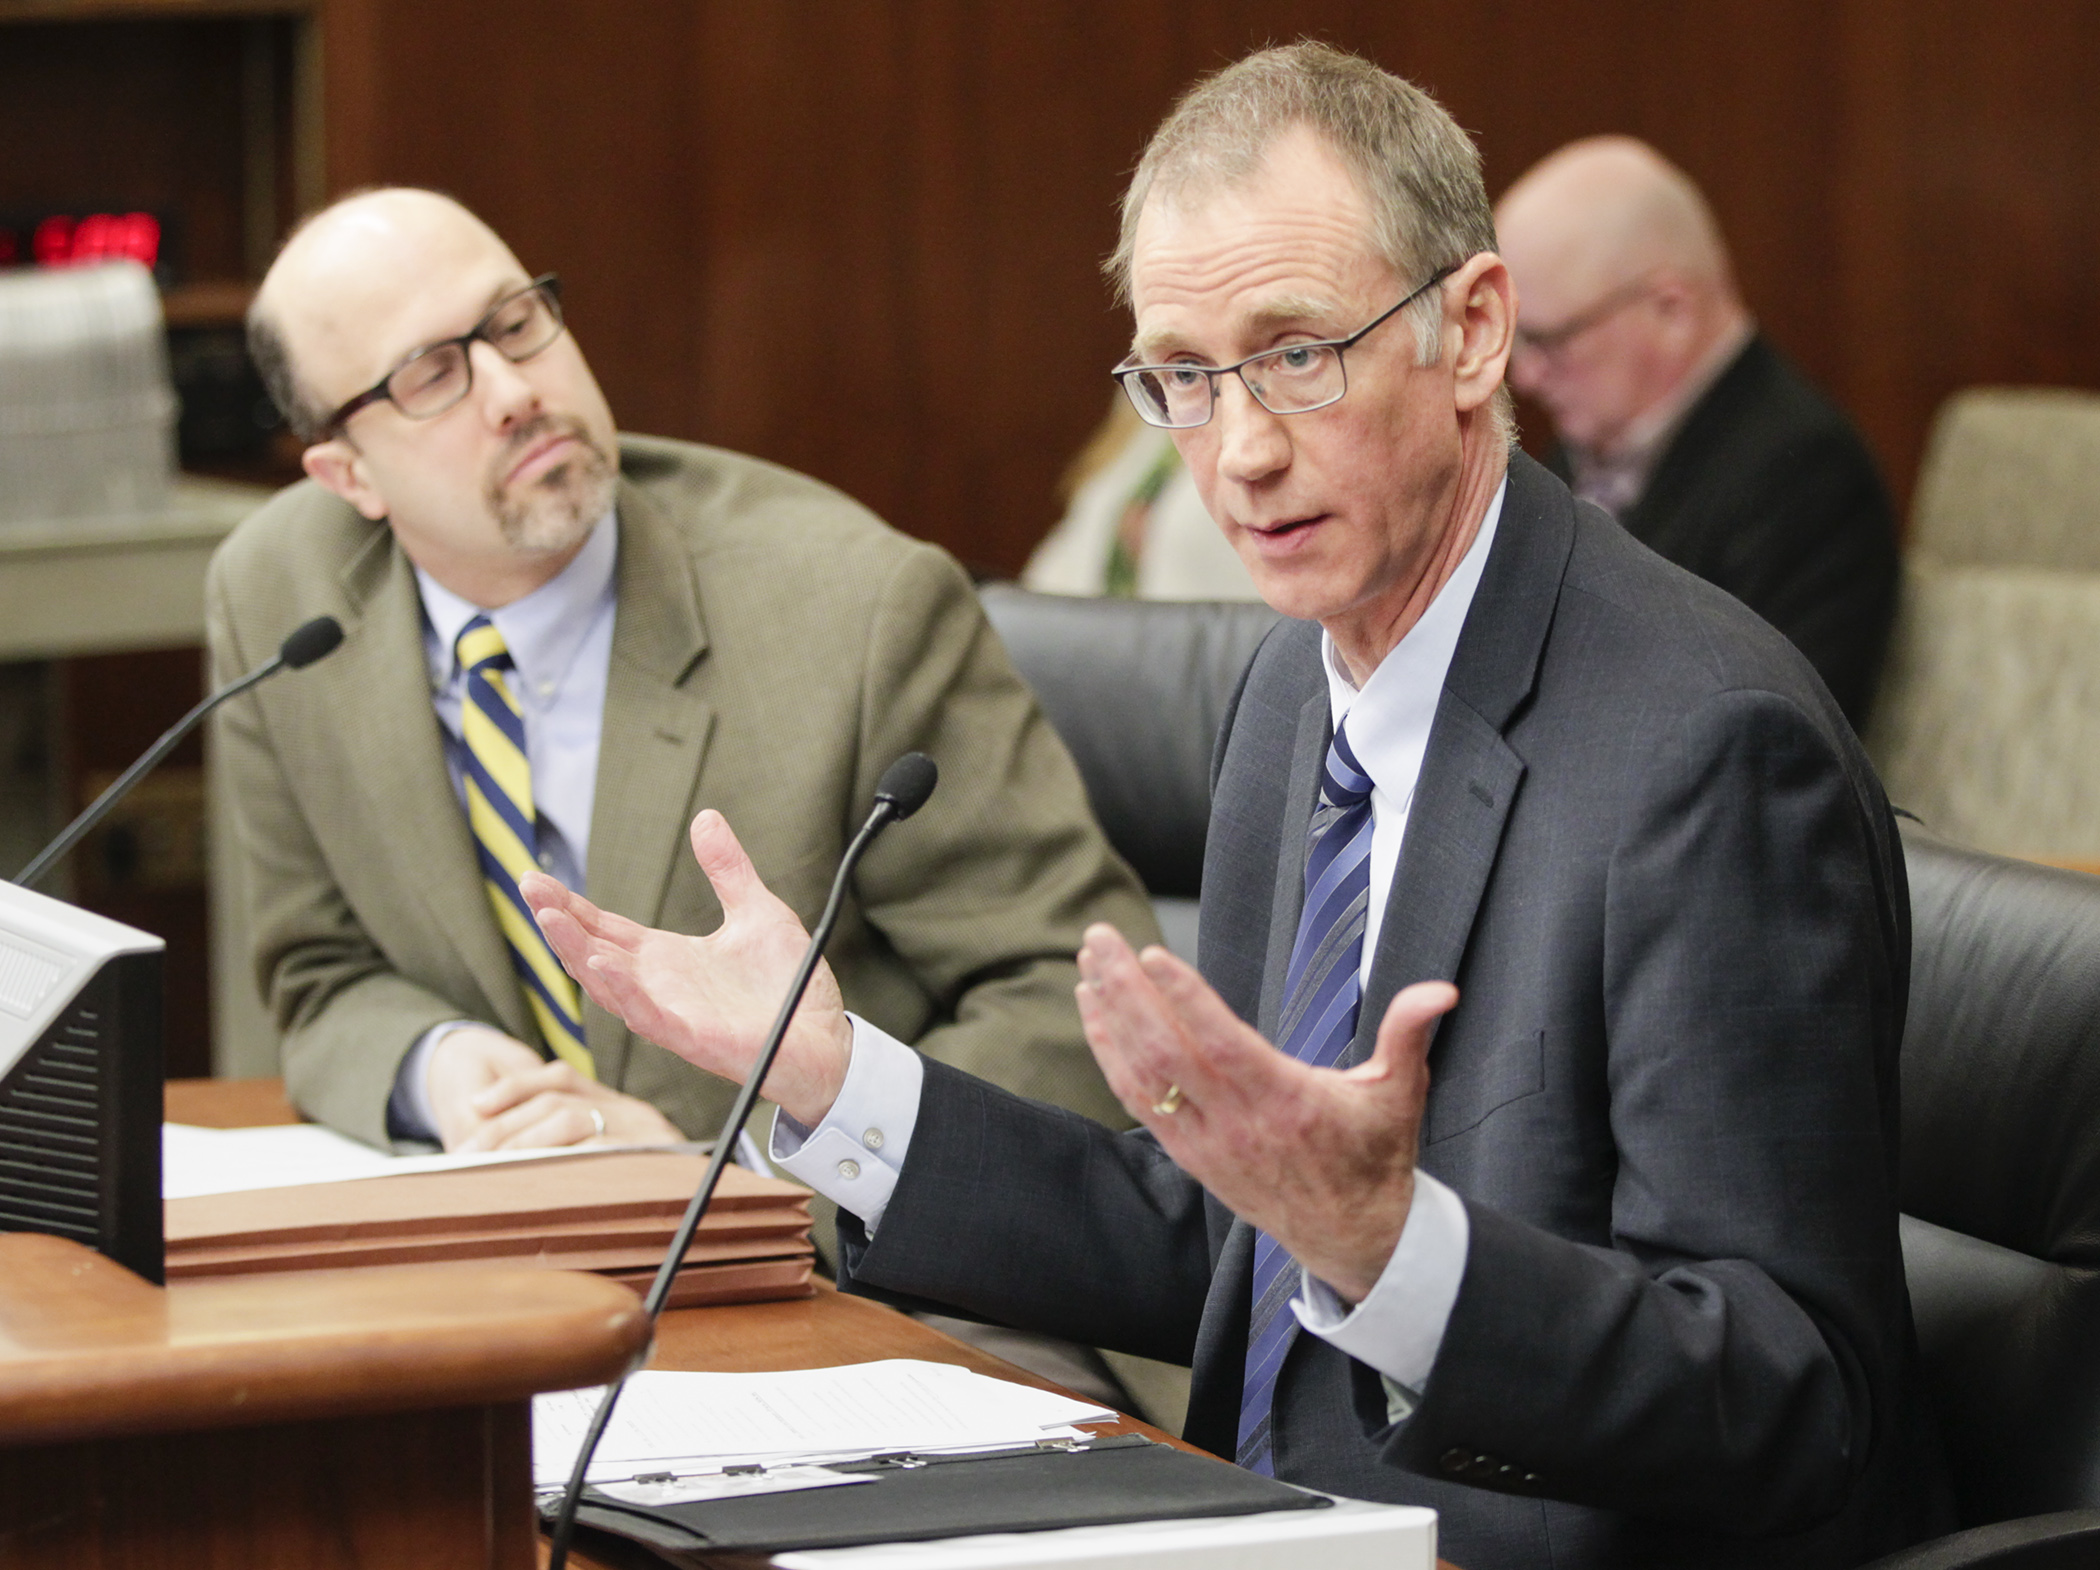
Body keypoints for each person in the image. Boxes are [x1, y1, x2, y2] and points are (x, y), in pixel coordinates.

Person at [527, 46, 1946, 1570]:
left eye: (1297, 355)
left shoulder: (1703, 749)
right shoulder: (1291, 693)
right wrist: (829, 1078)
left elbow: (1797, 1402)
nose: (1241, 452)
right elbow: (1224, 1240)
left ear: (1472, 331)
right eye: (1185, 379)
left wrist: (1394, 1256)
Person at [206, 187, 1155, 1158]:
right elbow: (320, 971)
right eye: (432, 375)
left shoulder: (857, 609)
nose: (513, 392)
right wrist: (438, 1064)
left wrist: (731, 1180)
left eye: (516, 323)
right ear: (349, 477)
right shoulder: (280, 599)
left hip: (825, 1275)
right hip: (495, 1249)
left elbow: (1086, 1006)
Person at [1495, 136, 1899, 730]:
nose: (1524, 376)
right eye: (1518, 342)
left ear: (1671, 310)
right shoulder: (1573, 453)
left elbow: (1771, 743)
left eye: (1552, 340)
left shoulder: (1806, 476)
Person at [1022, 395, 1261, 599]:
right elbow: (1069, 552)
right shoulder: (1143, 398)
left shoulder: (1253, 429)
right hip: (1095, 638)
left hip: (1214, 637)